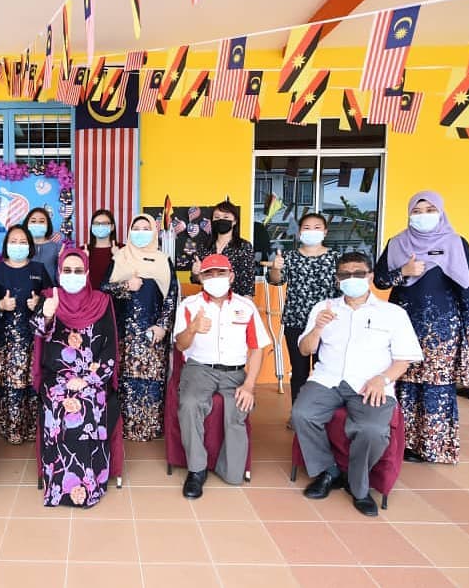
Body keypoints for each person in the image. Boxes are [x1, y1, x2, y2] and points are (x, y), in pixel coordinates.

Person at [293, 252, 423, 516]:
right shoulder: (323, 308)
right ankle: (327, 471)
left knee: (372, 430)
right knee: (301, 414)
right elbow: (305, 350)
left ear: (370, 276)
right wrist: (317, 329)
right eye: (345, 274)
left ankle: (358, 485)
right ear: (337, 279)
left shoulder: (392, 313)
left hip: (370, 383)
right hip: (327, 378)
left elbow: (404, 359)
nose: (351, 278)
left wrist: (382, 379)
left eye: (358, 273)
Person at [374, 191, 469, 464]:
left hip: (442, 330)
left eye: (430, 210)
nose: (423, 216)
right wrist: (404, 272)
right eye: (417, 211)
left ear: (440, 212)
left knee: (436, 387)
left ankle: (434, 448)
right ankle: (405, 445)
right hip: (403, 326)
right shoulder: (397, 243)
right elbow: (380, 281)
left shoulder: (455, 244)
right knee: (405, 385)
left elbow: (468, 291)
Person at [173, 254, 270, 499]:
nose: (215, 277)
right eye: (209, 273)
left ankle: (231, 469)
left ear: (231, 276)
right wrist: (192, 329)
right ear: (200, 277)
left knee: (238, 408)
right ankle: (197, 470)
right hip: (199, 369)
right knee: (190, 405)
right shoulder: (189, 305)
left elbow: (257, 348)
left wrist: (249, 385)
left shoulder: (246, 306)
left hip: (234, 372)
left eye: (221, 273)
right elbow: (181, 345)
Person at [33, 249, 118, 507]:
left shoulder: (102, 302)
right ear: (59, 272)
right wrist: (47, 314)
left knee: (87, 404)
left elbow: (110, 347)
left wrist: (89, 379)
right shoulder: (50, 297)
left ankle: (89, 484)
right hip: (56, 376)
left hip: (92, 376)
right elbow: (37, 333)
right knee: (60, 404)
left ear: (87, 273)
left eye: (78, 270)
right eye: (67, 270)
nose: (72, 275)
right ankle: (58, 485)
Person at [102, 213, 178, 441]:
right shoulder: (120, 258)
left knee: (151, 382)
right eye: (137, 228)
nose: (141, 233)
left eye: (146, 229)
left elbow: (172, 296)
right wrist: (126, 285)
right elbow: (103, 290)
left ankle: (150, 429)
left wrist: (163, 326)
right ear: (129, 231)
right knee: (126, 381)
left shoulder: (163, 260)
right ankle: (125, 429)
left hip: (153, 334)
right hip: (124, 334)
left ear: (154, 233)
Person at [0, 225, 53, 444]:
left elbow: (52, 299)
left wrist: (39, 302)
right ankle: (12, 430)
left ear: (30, 246)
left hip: (33, 340)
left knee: (33, 385)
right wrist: (0, 305)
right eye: (13, 241)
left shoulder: (39, 269)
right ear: (6, 245)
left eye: (23, 242)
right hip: (6, 342)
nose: (18, 245)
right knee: (9, 387)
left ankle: (33, 429)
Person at [267, 213, 341, 415]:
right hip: (295, 320)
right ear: (299, 232)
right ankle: (298, 414)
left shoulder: (336, 258)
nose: (311, 231)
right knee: (299, 371)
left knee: (324, 369)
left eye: (317, 227)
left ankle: (322, 414)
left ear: (325, 232)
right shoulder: (290, 257)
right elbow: (276, 281)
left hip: (327, 322)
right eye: (306, 228)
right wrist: (276, 268)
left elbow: (343, 287)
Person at [191, 200, 256, 297]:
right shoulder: (204, 246)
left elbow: (248, 284)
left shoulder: (244, 246)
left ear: (234, 221)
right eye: (217, 217)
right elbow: (196, 280)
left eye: (226, 217)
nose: (221, 220)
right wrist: (195, 273)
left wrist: (246, 304)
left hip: (235, 301)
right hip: (208, 300)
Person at [83, 209, 121, 290]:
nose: (100, 226)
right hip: (89, 296)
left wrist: (120, 257)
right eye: (96, 224)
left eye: (104, 223)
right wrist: (83, 259)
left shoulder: (123, 249)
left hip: (115, 296)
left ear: (112, 227)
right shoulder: (83, 250)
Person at [24, 207, 62, 283]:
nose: (37, 224)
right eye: (33, 221)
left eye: (41, 221)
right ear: (27, 224)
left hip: (50, 288)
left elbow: (60, 274)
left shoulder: (56, 247)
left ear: (48, 225)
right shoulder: (21, 247)